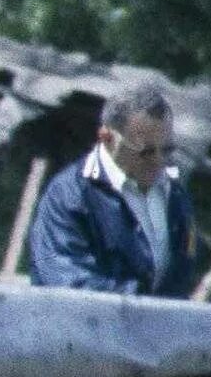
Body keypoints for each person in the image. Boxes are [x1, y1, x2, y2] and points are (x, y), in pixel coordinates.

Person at [27, 81, 198, 297]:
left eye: (167, 150)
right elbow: (67, 285)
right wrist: (145, 304)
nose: (158, 161)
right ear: (106, 138)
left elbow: (180, 278)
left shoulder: (175, 196)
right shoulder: (69, 195)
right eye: (145, 151)